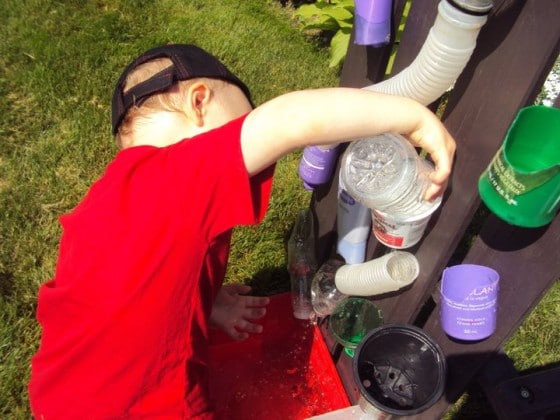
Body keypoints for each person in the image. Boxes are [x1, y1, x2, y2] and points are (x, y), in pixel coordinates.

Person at [29, 43, 456, 418]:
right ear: (199, 103)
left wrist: (207, 305)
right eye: (240, 121)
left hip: (60, 396)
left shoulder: (108, 205)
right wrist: (413, 119)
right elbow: (291, 119)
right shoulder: (178, 174)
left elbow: (126, 294)